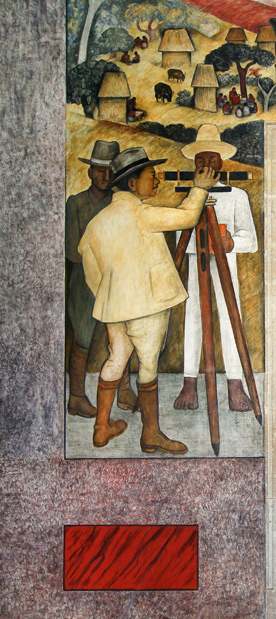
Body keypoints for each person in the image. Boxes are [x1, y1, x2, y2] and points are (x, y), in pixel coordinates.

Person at [79, 146, 216, 453]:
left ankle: (101, 429)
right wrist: (200, 188)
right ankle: (151, 434)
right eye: (150, 177)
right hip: (147, 305)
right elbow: (187, 217)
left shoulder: (97, 223)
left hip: (115, 307)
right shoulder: (139, 212)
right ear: (131, 184)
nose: (156, 182)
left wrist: (113, 295)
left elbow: (90, 269)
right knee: (148, 365)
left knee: (116, 358)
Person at [174, 124, 258, 413]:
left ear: (221, 162)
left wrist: (229, 241)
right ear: (194, 163)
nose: (206, 166)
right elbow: (180, 238)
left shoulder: (237, 196)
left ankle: (235, 385)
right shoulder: (189, 196)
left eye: (211, 160)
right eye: (200, 160)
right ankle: (189, 384)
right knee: (194, 317)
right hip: (197, 263)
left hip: (226, 265)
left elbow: (251, 240)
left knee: (229, 315)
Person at [65, 140, 136, 417]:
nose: (105, 177)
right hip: (84, 284)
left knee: (123, 337)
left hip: (116, 281)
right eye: (99, 170)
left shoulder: (121, 203)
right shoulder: (76, 203)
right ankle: (77, 397)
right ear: (89, 172)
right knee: (82, 338)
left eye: (110, 171)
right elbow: (72, 251)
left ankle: (125, 392)